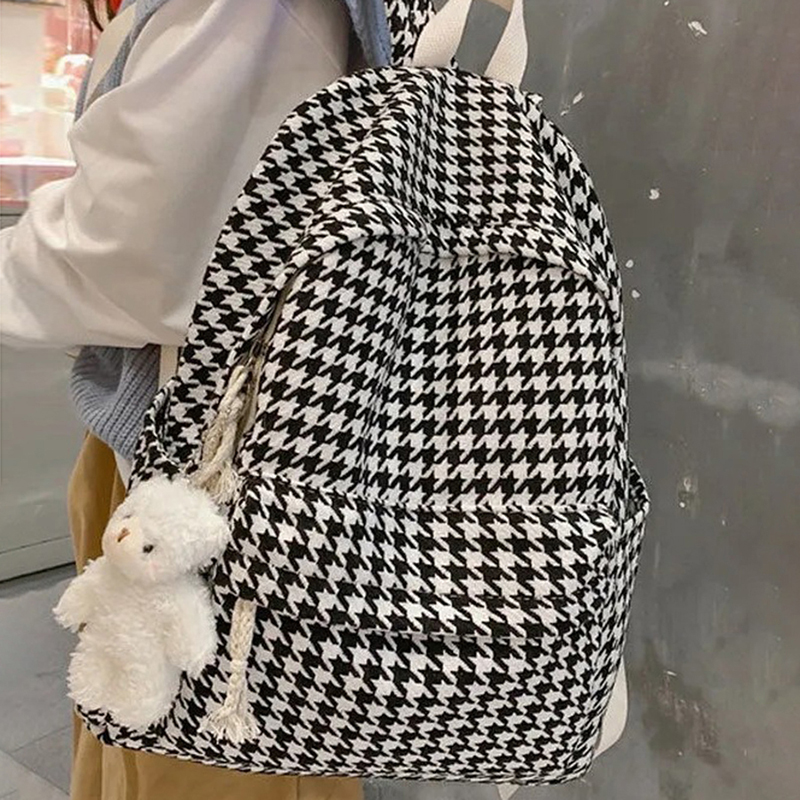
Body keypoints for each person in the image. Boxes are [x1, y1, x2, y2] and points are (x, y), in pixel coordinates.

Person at [0, 0, 390, 797]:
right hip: (212, 449)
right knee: (155, 725)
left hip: (205, 463)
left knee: (196, 746)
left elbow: (134, 253)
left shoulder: (247, 11)